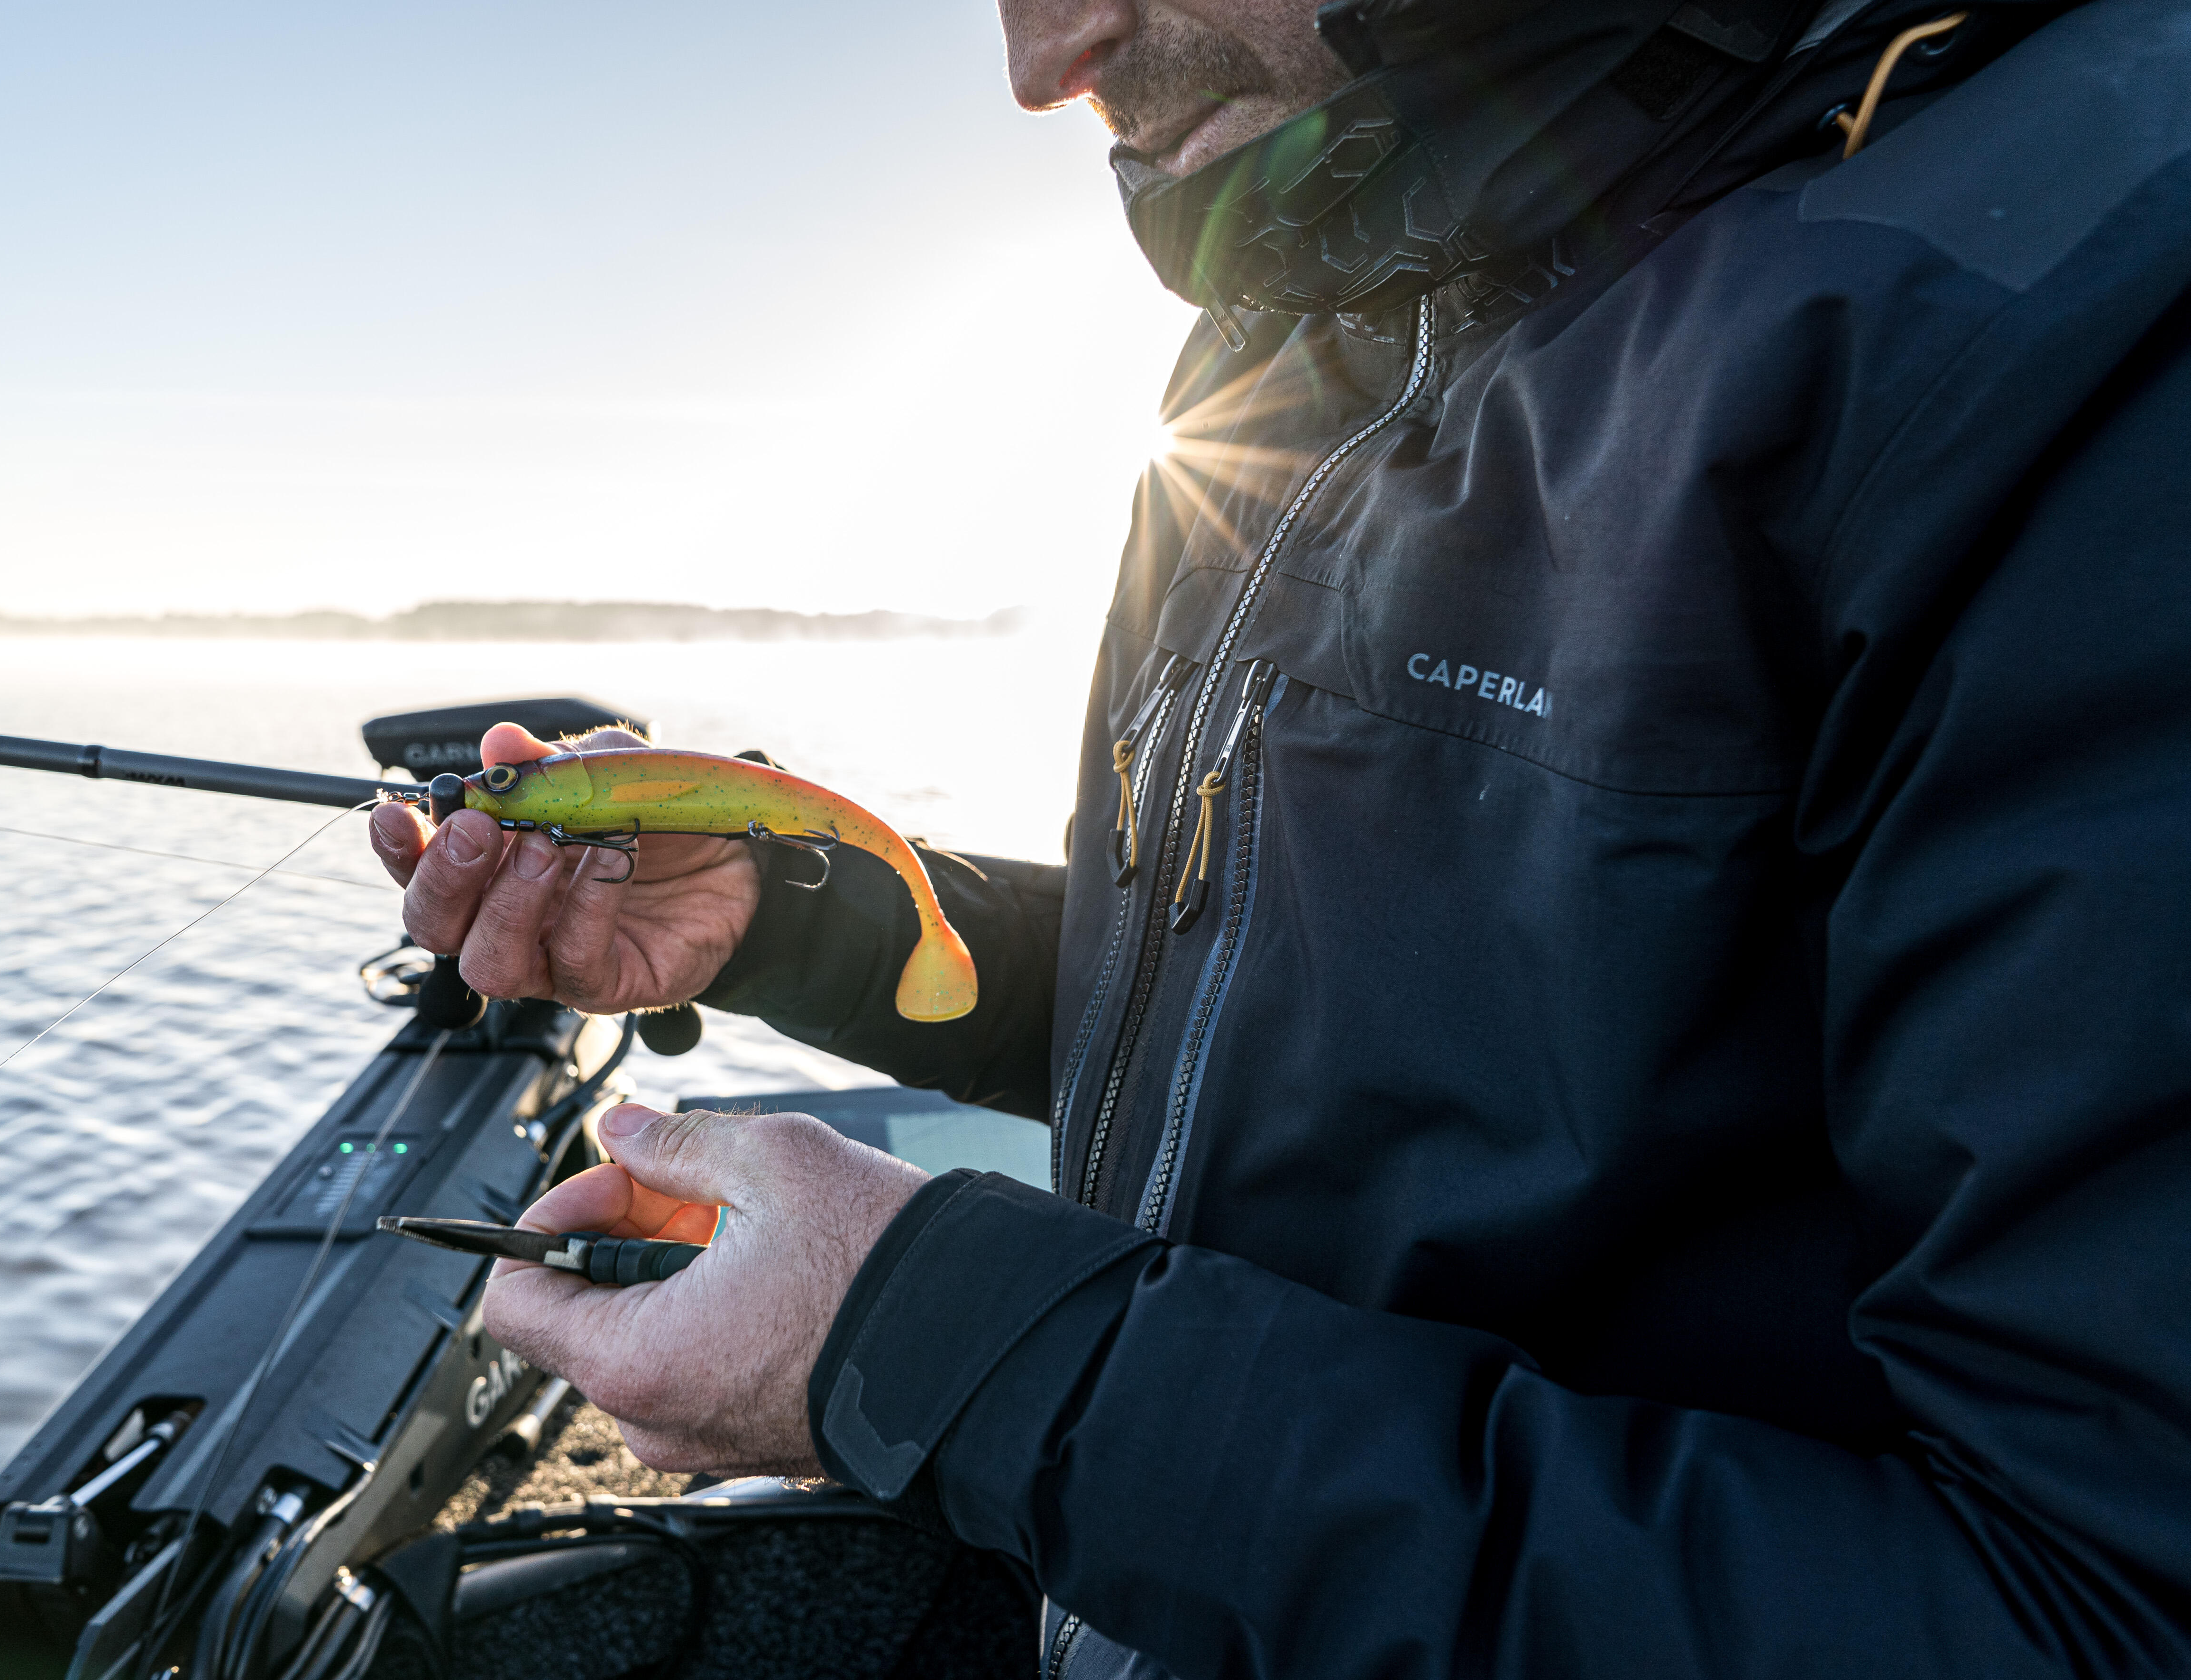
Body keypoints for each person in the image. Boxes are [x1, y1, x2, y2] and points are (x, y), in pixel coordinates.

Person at [369, 0, 2191, 1672]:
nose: (1048, 59)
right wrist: (805, 912)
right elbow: (1320, 982)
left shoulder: (2098, 343)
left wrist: (955, 1352)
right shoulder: (1306, 317)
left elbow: (2087, 1612)